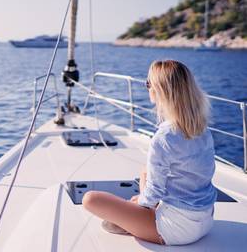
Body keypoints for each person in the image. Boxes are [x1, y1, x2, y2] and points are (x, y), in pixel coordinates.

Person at [82, 60, 217, 245]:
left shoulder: (164, 137)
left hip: (176, 229)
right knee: (145, 171)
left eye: (148, 83)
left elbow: (155, 190)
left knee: (91, 199)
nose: (147, 88)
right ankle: (140, 215)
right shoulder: (202, 129)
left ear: (158, 90)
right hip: (206, 218)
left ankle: (137, 221)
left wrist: (137, 204)